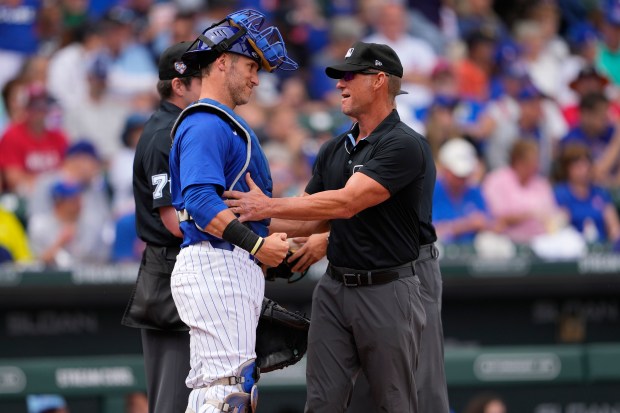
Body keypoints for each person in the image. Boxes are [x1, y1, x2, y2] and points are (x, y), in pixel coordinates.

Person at [225, 41, 428, 412]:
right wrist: (242, 221)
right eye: (339, 76)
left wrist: (267, 205)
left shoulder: (404, 144)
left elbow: (348, 202)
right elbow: (311, 215)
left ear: (380, 80)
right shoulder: (336, 149)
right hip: (335, 287)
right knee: (321, 402)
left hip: (387, 289)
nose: (339, 84)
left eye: (350, 76)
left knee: (392, 403)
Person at [168, 10, 294, 413]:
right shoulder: (206, 123)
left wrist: (333, 219)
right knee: (228, 390)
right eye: (251, 66)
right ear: (222, 61)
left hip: (225, 262)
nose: (257, 78)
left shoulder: (223, 123)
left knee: (219, 386)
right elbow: (202, 203)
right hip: (217, 259)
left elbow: (255, 211)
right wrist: (258, 246)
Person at [121, 41, 202, 413]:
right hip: (170, 272)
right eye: (199, 79)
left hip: (185, 267)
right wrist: (237, 237)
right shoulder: (162, 135)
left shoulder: (183, 128)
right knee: (173, 395)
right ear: (178, 84)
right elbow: (172, 221)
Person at [554, 144, 620, 245]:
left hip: (601, 248)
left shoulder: (600, 193)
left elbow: (614, 226)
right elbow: (559, 225)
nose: (583, 171)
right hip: (573, 247)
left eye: (586, 165)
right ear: (568, 169)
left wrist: (615, 239)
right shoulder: (561, 194)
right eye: (578, 167)